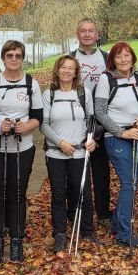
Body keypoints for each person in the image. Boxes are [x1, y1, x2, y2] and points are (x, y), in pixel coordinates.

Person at [0, 40, 43, 263]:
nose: (14, 59)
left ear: (22, 58)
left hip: (22, 147)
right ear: (3, 58)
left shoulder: (31, 83)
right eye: (9, 55)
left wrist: (26, 127)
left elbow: (38, 116)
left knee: (17, 194)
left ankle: (16, 240)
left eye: (18, 55)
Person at [94, 42, 138, 248]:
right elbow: (100, 112)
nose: (123, 59)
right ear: (112, 60)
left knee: (133, 183)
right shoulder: (106, 79)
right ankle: (124, 234)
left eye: (126, 55)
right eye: (118, 56)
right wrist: (121, 132)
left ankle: (117, 224)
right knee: (128, 183)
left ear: (132, 57)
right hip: (116, 137)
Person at [42, 55, 99, 252]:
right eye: (63, 67)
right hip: (56, 153)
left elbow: (91, 119)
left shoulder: (83, 93)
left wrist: (92, 139)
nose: (66, 71)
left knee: (83, 193)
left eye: (71, 68)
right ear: (57, 70)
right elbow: (43, 124)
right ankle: (59, 234)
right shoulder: (49, 94)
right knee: (58, 195)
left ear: (76, 73)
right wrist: (60, 143)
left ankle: (87, 230)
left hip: (80, 153)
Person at [69, 18, 111, 228]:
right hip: (76, 121)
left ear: (97, 34)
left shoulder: (106, 58)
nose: (87, 34)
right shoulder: (70, 58)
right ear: (77, 34)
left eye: (91, 30)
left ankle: (103, 213)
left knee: (101, 172)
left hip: (102, 122)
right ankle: (75, 213)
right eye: (83, 31)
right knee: (75, 172)